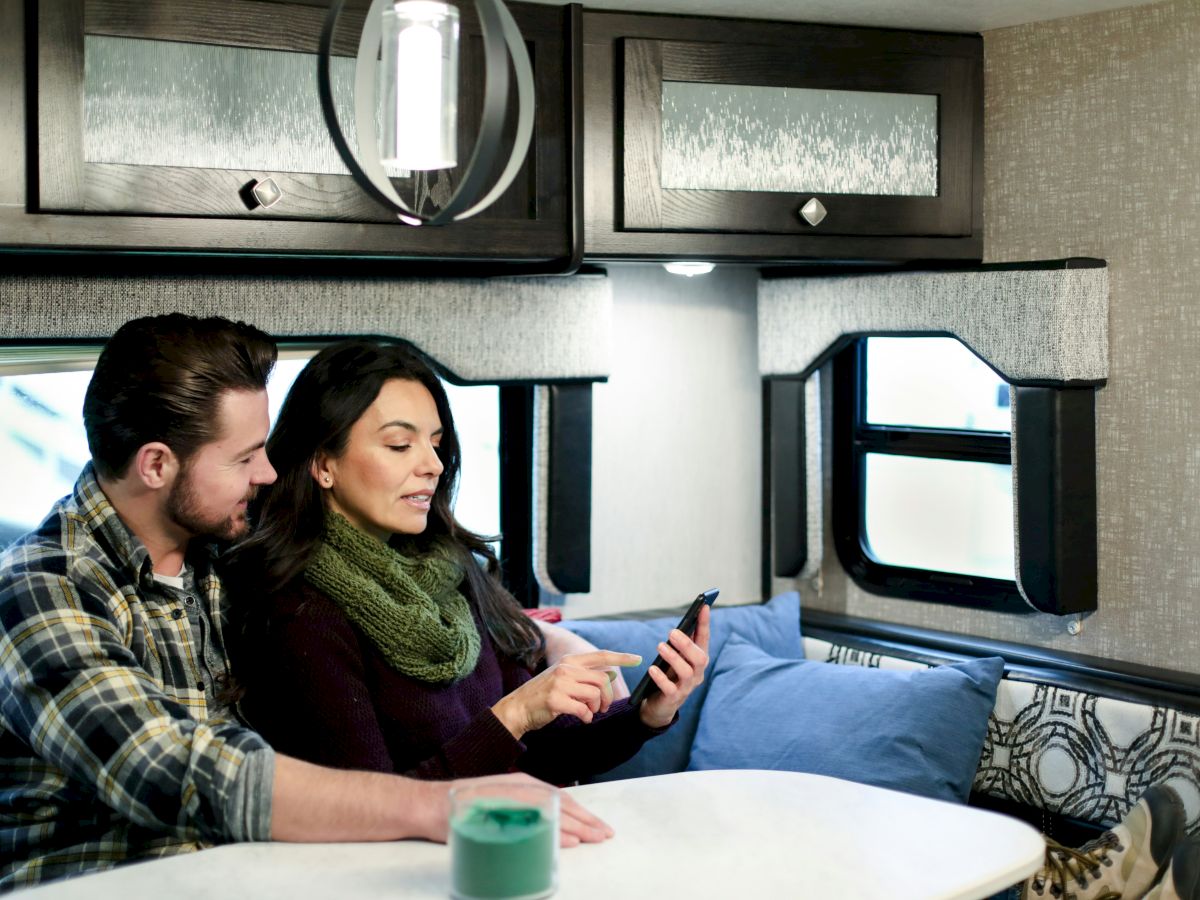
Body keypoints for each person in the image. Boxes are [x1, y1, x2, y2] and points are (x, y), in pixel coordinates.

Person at [0, 315, 612, 892]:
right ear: (157, 465)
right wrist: (439, 803)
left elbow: (484, 620)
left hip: (248, 874)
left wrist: (556, 641)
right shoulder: (40, 589)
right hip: (105, 881)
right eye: (244, 458)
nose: (267, 473)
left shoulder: (219, 549)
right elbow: (171, 768)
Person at [224, 339, 710, 784]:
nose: (433, 464)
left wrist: (647, 713)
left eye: (435, 444)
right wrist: (514, 714)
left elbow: (541, 757)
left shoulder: (449, 569)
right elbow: (371, 810)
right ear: (323, 463)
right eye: (400, 445)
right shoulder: (297, 613)